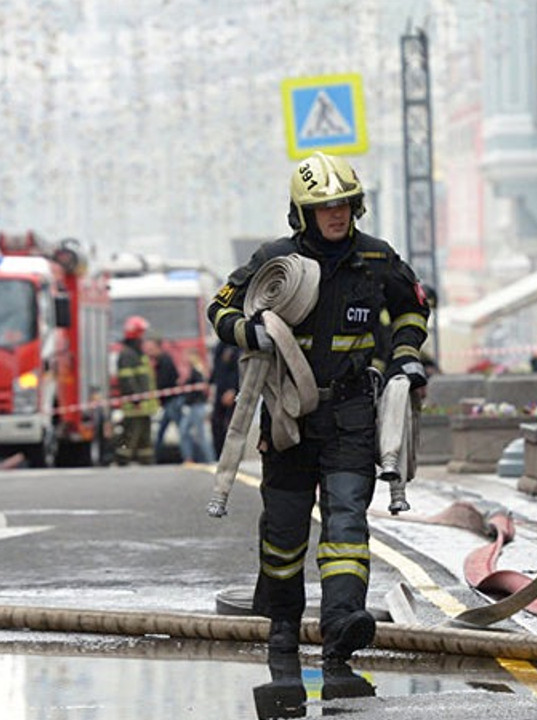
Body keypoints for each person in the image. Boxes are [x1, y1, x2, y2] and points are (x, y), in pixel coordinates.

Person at [207, 151, 430, 669]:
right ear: (302, 214)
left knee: (347, 522)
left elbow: (413, 306)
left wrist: (405, 358)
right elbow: (219, 307)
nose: (337, 215)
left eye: (345, 205)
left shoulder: (376, 259)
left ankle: (342, 624)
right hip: (288, 418)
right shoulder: (274, 260)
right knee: (284, 530)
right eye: (325, 207)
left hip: (351, 412)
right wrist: (252, 331)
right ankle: (283, 622)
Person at [114, 315, 159, 466]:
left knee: (144, 438)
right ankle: (122, 461)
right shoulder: (127, 355)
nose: (144, 339)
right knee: (130, 435)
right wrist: (136, 398)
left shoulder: (138, 354)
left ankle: (146, 461)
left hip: (143, 407)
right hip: (135, 406)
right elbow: (127, 380)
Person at [148, 334, 183, 463]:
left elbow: (165, 381)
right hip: (169, 401)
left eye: (151, 348)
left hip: (171, 401)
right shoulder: (162, 360)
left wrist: (158, 393)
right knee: (164, 431)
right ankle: (156, 457)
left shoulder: (164, 361)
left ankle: (196, 456)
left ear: (158, 347)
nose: (148, 351)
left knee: (182, 430)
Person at [177, 352, 214, 463]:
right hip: (192, 406)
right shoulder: (195, 371)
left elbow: (198, 389)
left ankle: (210, 459)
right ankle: (189, 458)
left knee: (200, 435)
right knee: (184, 431)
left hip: (197, 406)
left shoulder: (197, 372)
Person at [208, 343, 241, 460]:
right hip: (219, 391)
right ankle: (220, 456)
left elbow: (239, 369)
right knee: (216, 424)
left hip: (232, 392)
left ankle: (233, 456)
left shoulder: (236, 345)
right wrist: (209, 383)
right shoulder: (220, 345)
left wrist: (233, 389)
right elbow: (217, 368)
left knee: (233, 426)